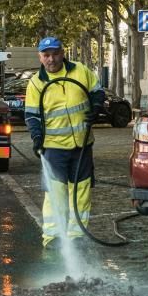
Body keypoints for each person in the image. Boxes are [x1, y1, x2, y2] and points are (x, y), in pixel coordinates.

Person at [24, 36, 105, 248]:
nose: (51, 59)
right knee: (55, 194)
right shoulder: (36, 83)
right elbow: (32, 115)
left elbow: (97, 92)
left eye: (55, 53)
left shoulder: (80, 71)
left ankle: (77, 236)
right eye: (46, 55)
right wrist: (36, 138)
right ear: (40, 57)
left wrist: (96, 108)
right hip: (53, 147)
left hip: (82, 144)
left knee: (81, 191)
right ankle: (53, 236)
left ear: (62, 52)